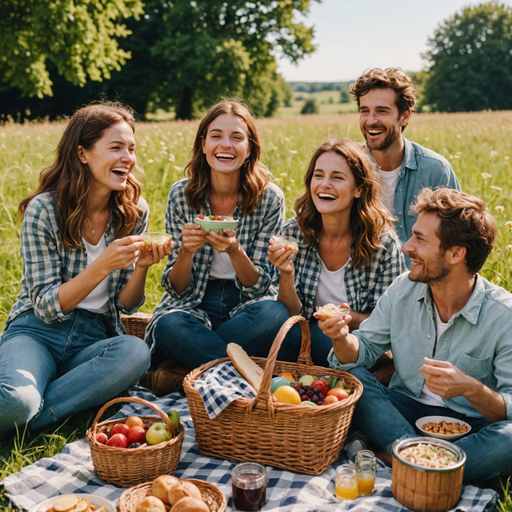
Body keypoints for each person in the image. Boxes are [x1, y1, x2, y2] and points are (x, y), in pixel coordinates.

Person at [0, 102, 168, 431]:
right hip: (36, 332)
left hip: (93, 336)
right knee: (15, 401)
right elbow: (47, 306)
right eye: (116, 147)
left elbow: (126, 304)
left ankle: (37, 416)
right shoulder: (45, 209)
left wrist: (142, 268)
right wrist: (103, 265)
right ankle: (35, 402)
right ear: (82, 153)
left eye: (131, 149)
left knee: (135, 352)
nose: (128, 158)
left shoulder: (134, 211)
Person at [327, 187, 512, 482]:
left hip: (471, 424)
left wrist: (470, 388)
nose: (406, 247)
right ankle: (428, 465)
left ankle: (396, 458)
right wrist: (340, 337)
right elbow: (360, 352)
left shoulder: (504, 316)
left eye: (420, 239)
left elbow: (509, 407)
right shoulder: (404, 289)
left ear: (456, 253)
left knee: (510, 437)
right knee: (356, 381)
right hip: (403, 412)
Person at [146, 99, 289, 395]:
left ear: (249, 148)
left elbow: (260, 287)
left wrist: (235, 251)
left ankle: (186, 372)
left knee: (275, 314)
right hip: (195, 303)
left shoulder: (269, 199)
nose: (226, 145)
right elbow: (177, 289)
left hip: (246, 307)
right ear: (203, 144)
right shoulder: (180, 195)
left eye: (237, 137)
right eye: (216, 136)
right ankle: (253, 381)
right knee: (169, 326)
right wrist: (185, 251)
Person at [269, 139, 406, 367]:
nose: (324, 184)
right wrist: (286, 273)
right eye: (319, 175)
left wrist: (346, 320)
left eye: (337, 177)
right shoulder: (294, 232)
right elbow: (290, 314)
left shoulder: (382, 244)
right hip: (303, 339)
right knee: (288, 333)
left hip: (362, 346)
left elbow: (391, 325)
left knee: (320, 337)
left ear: (359, 189)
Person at [350, 68, 461, 257]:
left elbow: (458, 239)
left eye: (381, 111)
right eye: (364, 111)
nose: (370, 121)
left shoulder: (436, 171)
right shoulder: (348, 167)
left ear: (405, 116)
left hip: (419, 282)